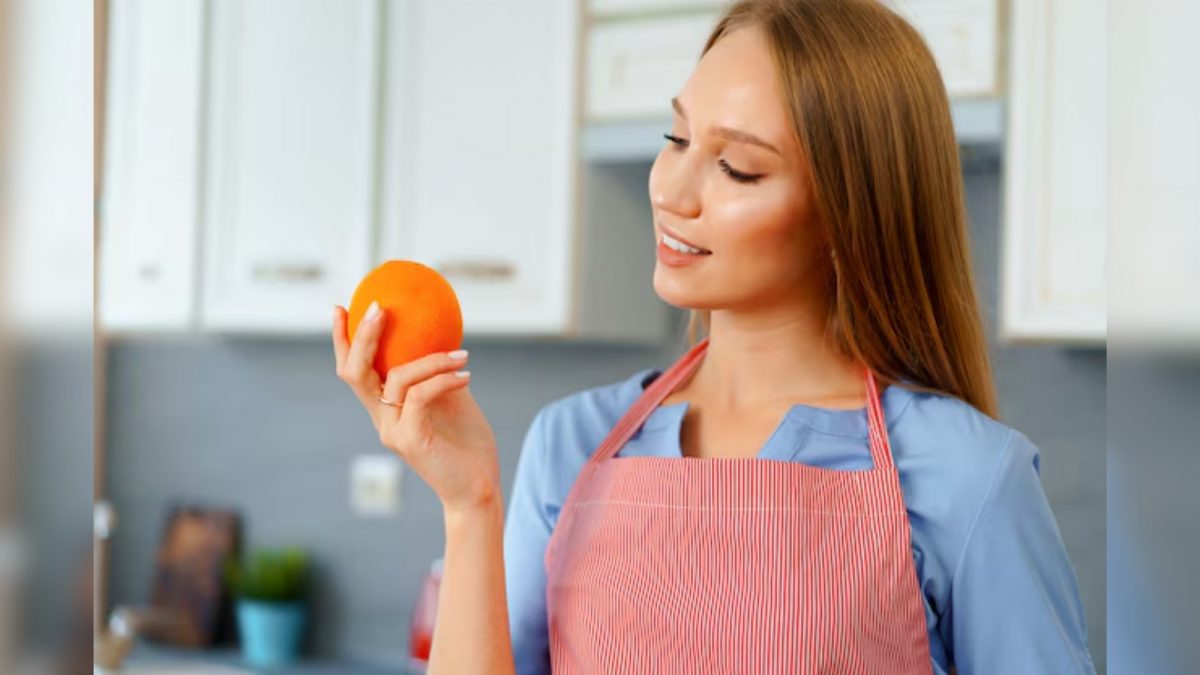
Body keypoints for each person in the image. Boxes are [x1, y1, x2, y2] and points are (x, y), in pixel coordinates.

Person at [332, 0, 1097, 672]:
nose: (669, 188)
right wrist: (469, 503)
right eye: (676, 137)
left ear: (848, 213)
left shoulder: (968, 476)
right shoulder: (569, 443)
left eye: (736, 168)